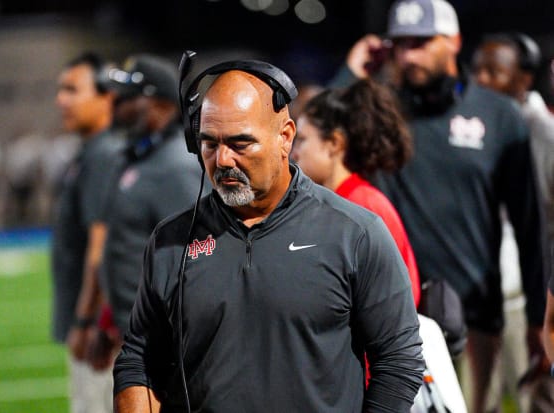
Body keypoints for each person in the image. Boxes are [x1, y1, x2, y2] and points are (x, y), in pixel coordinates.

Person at [113, 54, 424, 412]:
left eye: (240, 144)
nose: (223, 160)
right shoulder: (171, 241)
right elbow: (139, 358)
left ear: (285, 137)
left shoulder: (355, 233)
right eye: (210, 143)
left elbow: (398, 359)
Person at [328, 1, 547, 412]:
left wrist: (538, 318)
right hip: (386, 320)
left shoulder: (499, 115)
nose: (410, 54)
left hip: (473, 319)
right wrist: (351, 72)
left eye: (422, 42)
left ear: (454, 42)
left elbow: (529, 222)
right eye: (402, 44)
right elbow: (317, 138)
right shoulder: (379, 110)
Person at [87, 54, 206, 365]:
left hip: (167, 343)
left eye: (128, 98)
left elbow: (195, 261)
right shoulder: (138, 159)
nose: (117, 106)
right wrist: (108, 319)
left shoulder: (174, 168)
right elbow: (130, 250)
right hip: (136, 332)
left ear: (161, 105)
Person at [472, 32, 554, 412]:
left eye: (494, 72)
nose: (483, 80)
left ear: (524, 78)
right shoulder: (481, 125)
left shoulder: (542, 132)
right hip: (492, 291)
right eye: (478, 71)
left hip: (533, 293)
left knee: (534, 397)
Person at [290, 79, 420, 306]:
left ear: (334, 143)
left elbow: (400, 297)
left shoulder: (364, 204)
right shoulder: (332, 202)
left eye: (301, 140)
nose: (294, 154)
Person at [51, 51, 124, 413]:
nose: (60, 99)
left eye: (71, 89)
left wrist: (86, 321)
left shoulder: (103, 154)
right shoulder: (93, 151)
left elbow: (102, 245)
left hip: (97, 329)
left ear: (106, 96)